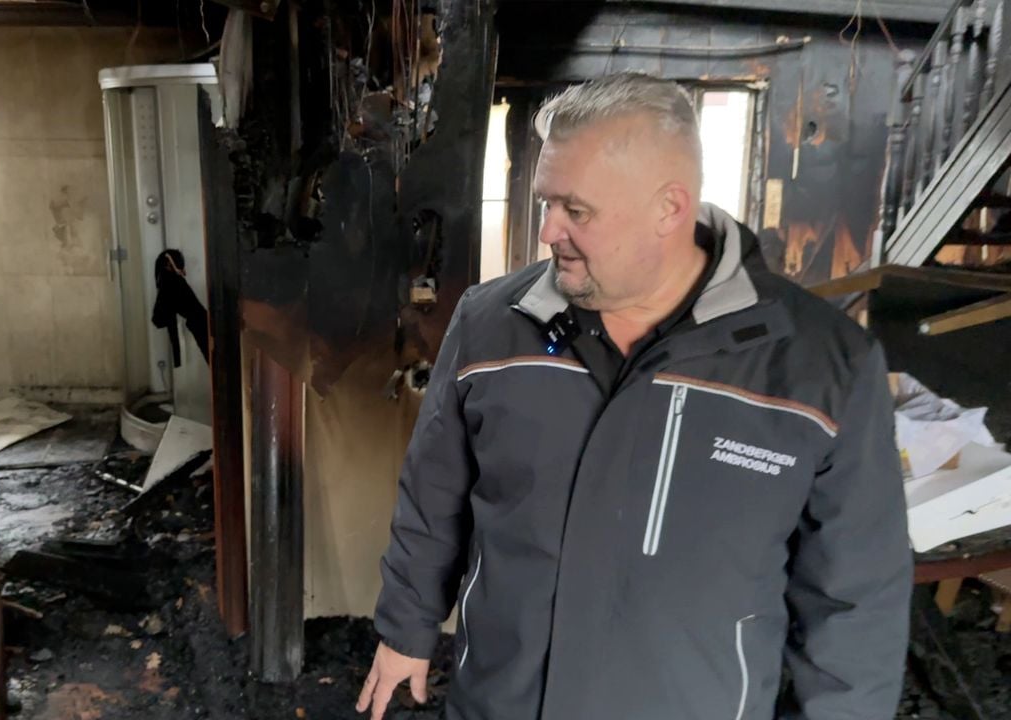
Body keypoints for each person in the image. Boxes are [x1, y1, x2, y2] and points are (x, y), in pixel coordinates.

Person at [357, 73, 912, 720]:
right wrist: (406, 627)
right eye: (546, 202)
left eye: (576, 210)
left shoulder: (822, 367)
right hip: (501, 702)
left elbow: (856, 596)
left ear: (669, 209)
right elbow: (434, 494)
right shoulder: (490, 324)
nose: (547, 231)